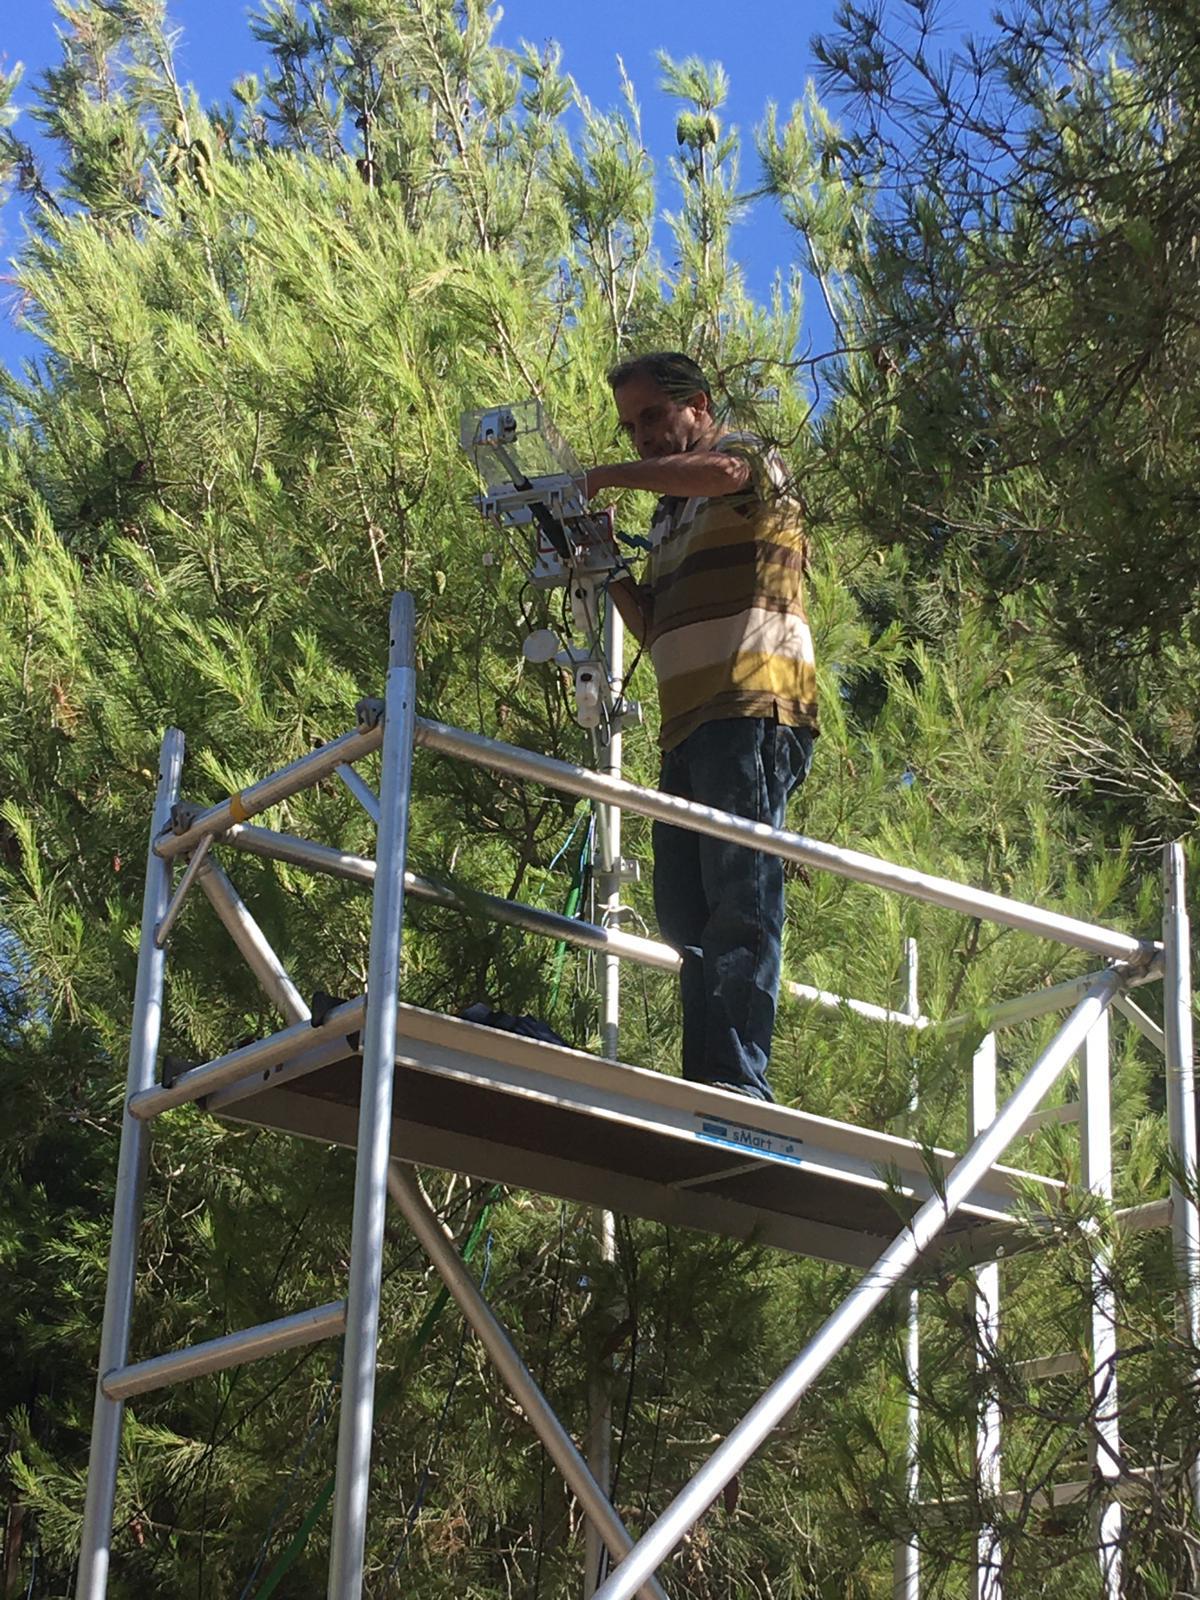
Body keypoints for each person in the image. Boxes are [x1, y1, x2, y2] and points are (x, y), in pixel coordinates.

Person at [581, 352, 818, 1101]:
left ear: (700, 404)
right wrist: (596, 559)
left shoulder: (748, 455)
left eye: (653, 417)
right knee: (686, 908)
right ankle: (709, 1080)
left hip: (750, 709)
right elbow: (650, 622)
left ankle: (739, 1081)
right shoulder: (668, 516)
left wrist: (606, 475)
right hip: (688, 724)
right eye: (630, 427)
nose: (644, 438)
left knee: (740, 895)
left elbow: (720, 475)